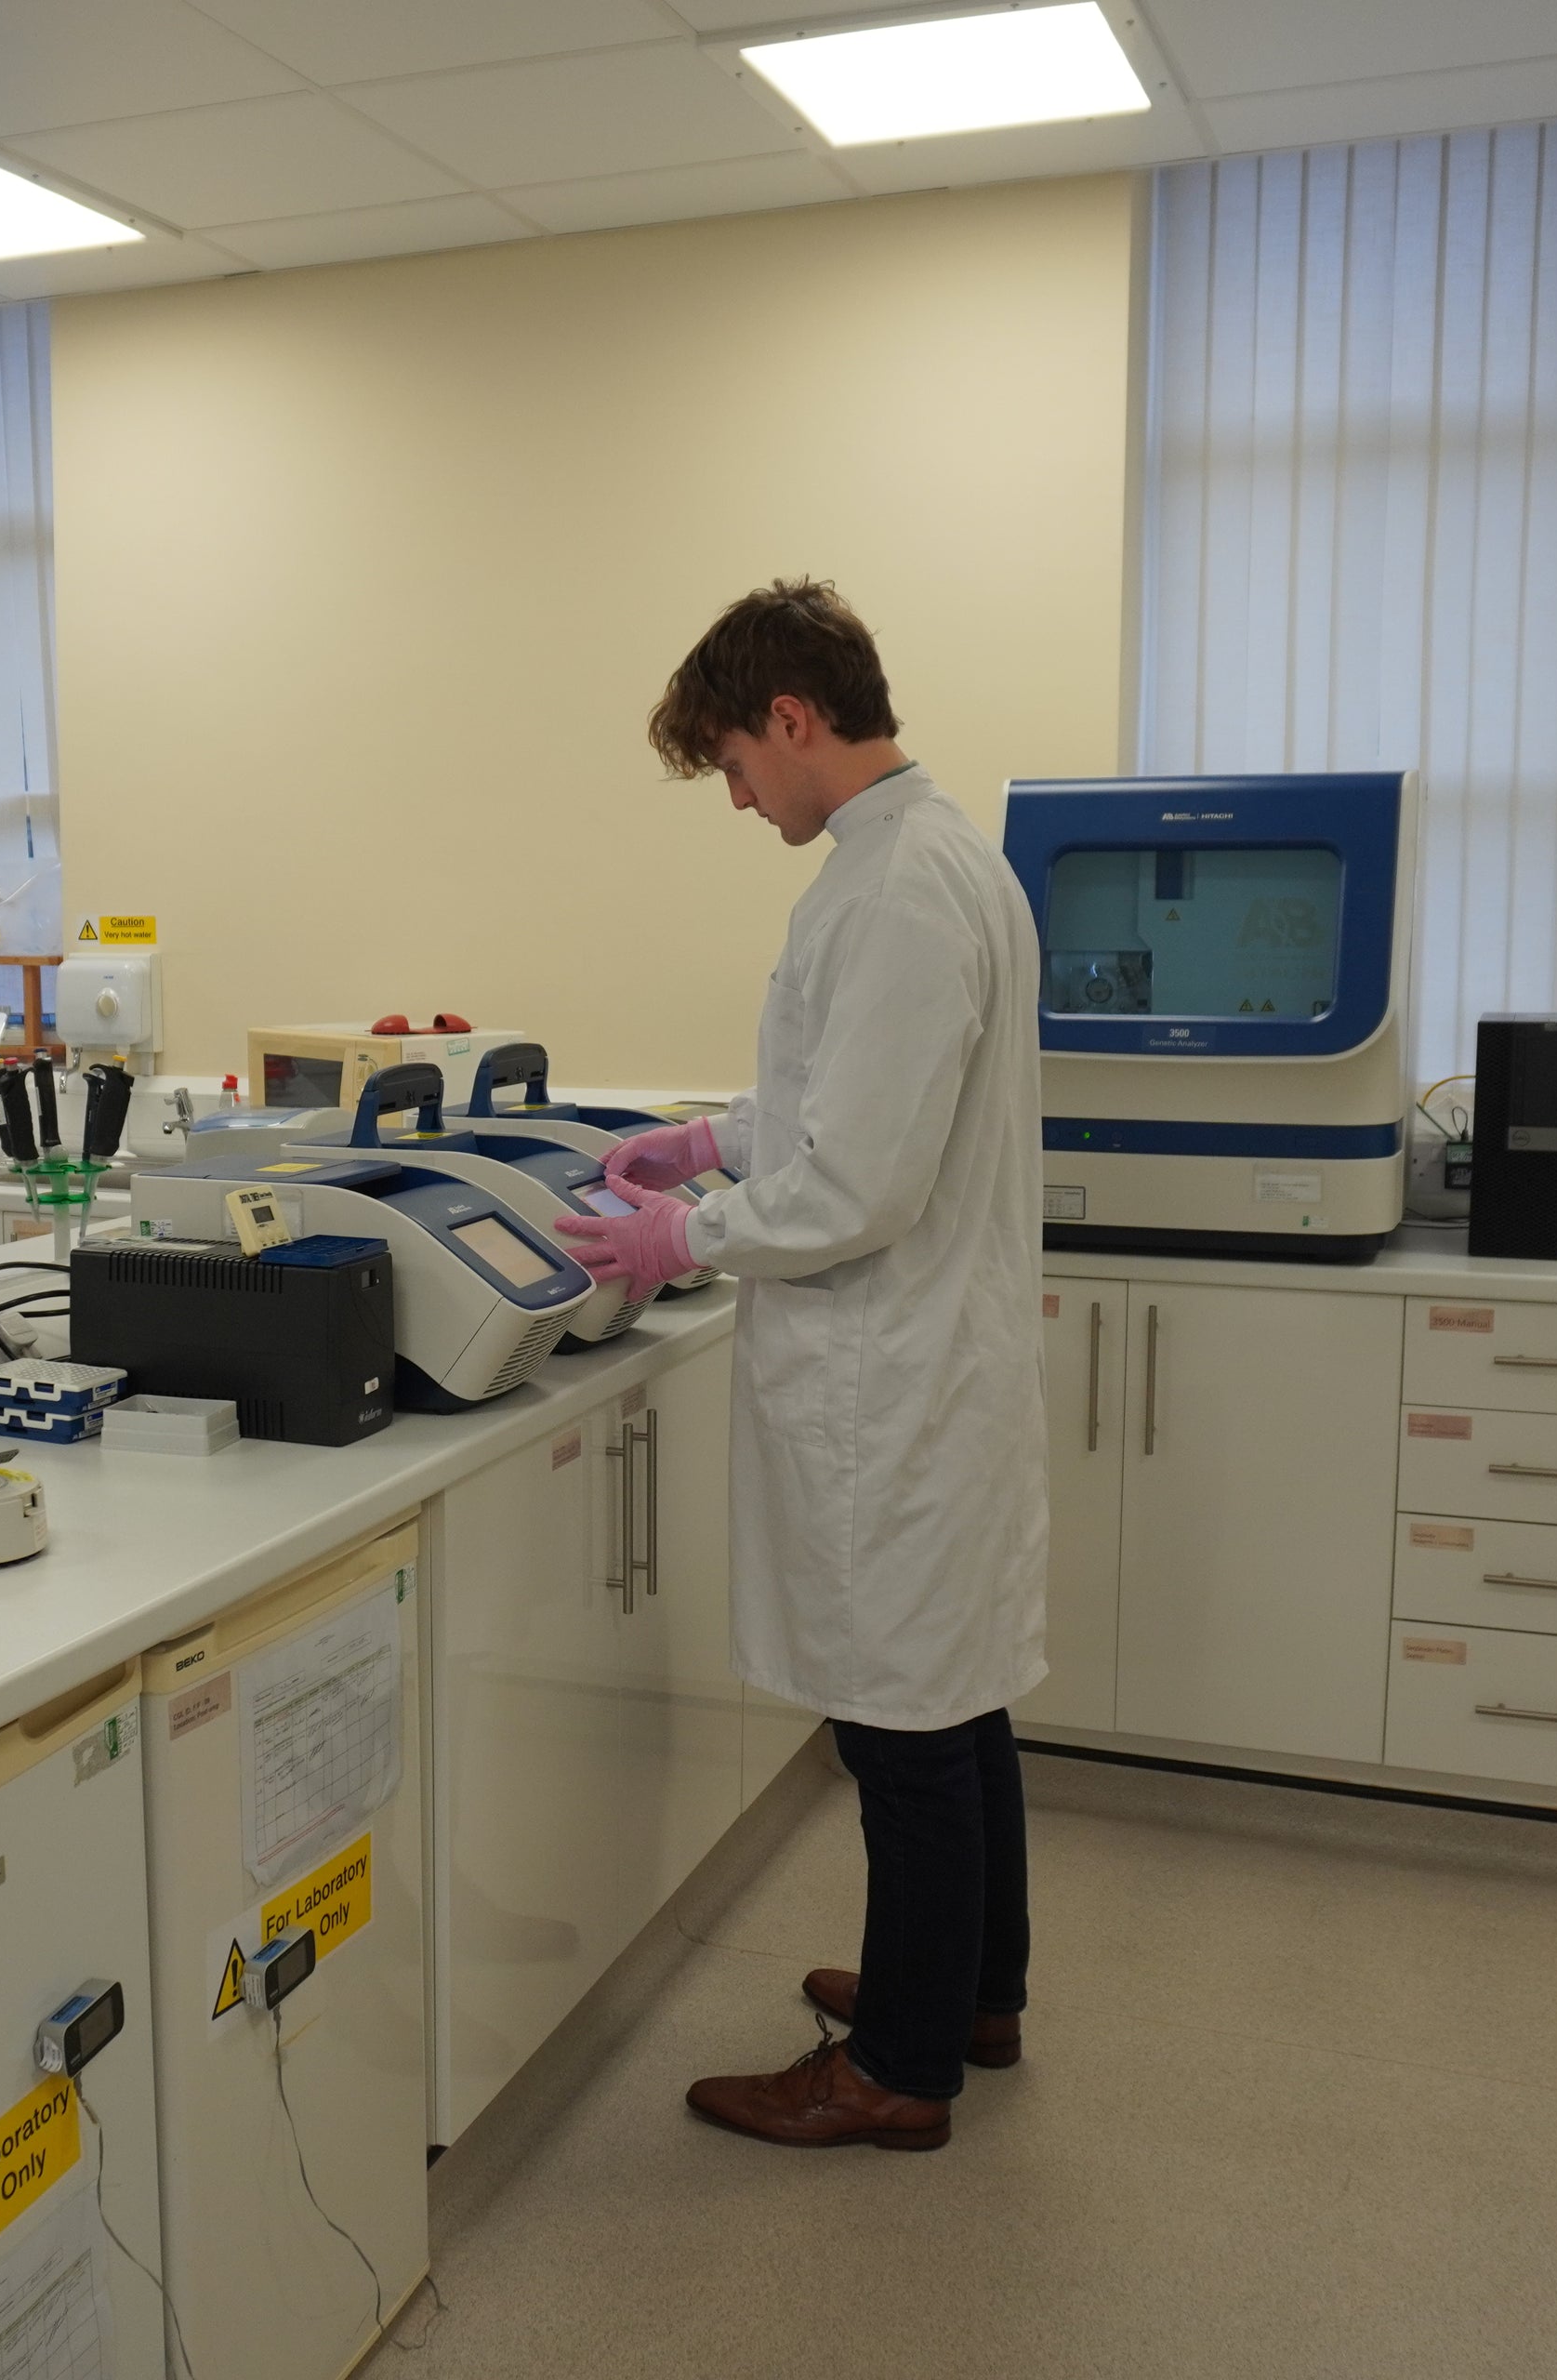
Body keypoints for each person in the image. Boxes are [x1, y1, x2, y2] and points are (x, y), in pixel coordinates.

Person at [553, 578, 1049, 2153]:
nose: (737, 797)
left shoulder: (900, 887)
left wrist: (675, 1239)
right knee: (955, 1704)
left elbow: (857, 1187)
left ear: (791, 716)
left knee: (904, 1731)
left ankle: (898, 2068)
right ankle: (971, 1988)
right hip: (927, 1366)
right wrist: (713, 1136)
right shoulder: (935, 860)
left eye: (732, 765)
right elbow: (850, 1108)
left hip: (887, 1375)